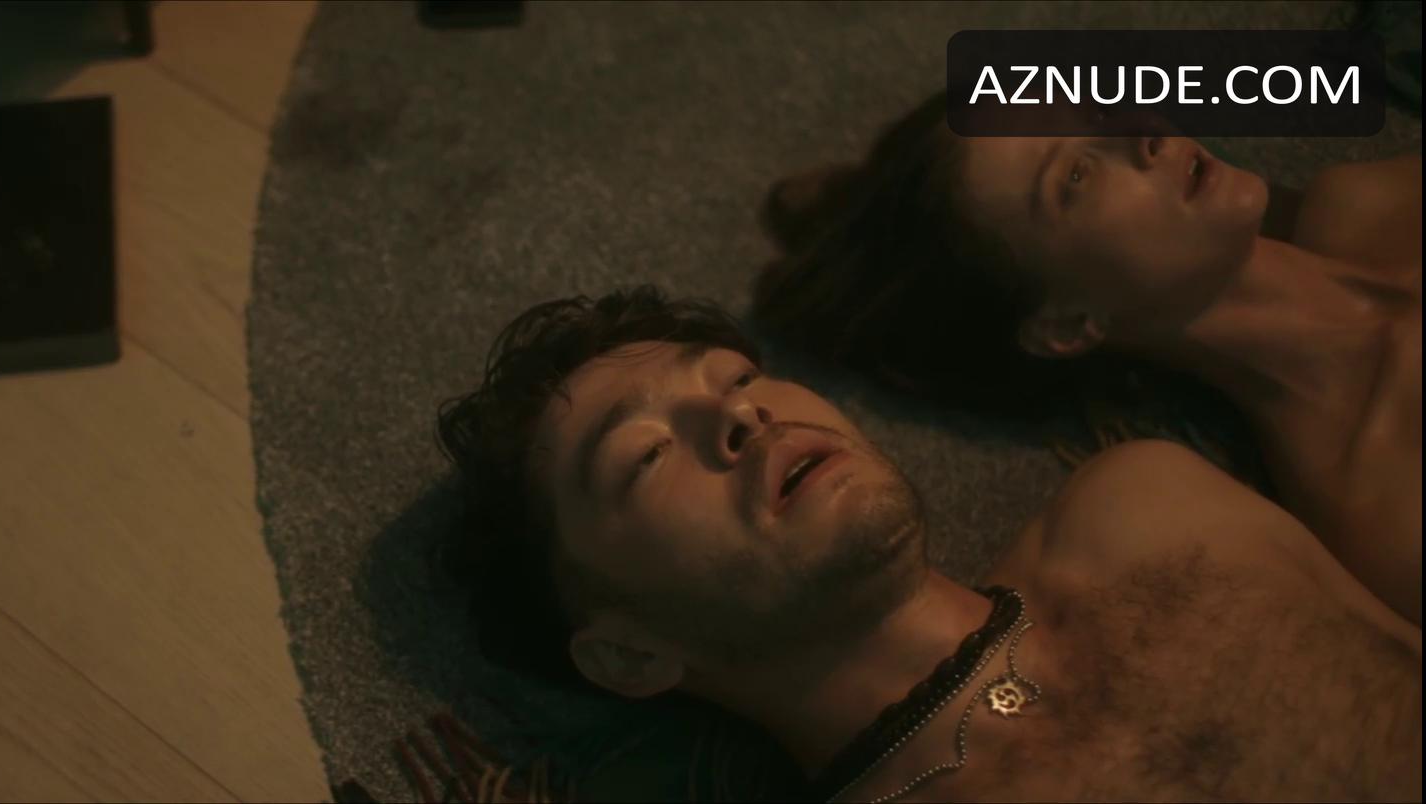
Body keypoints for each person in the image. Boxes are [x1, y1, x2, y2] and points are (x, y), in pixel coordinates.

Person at [436, 287, 1421, 802]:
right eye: (646, 457)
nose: (737, 417)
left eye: (735, 378)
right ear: (631, 655)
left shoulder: (1147, 508)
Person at [750, 93, 1421, 625]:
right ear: (1067, 325)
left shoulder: (1362, 201)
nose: (1138, 132)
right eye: (1075, 175)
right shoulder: (1380, 511)